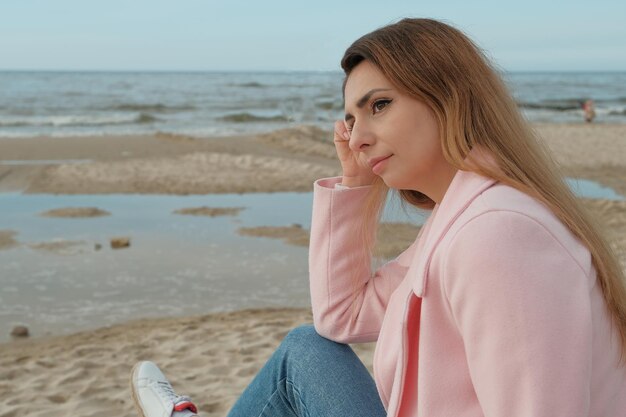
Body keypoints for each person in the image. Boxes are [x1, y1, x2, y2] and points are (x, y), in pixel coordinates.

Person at [129, 18, 626, 417]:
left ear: (449, 97)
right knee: (307, 351)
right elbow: (339, 317)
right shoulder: (462, 221)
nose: (358, 136)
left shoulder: (499, 234)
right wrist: (355, 186)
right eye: (351, 119)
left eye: (379, 106)